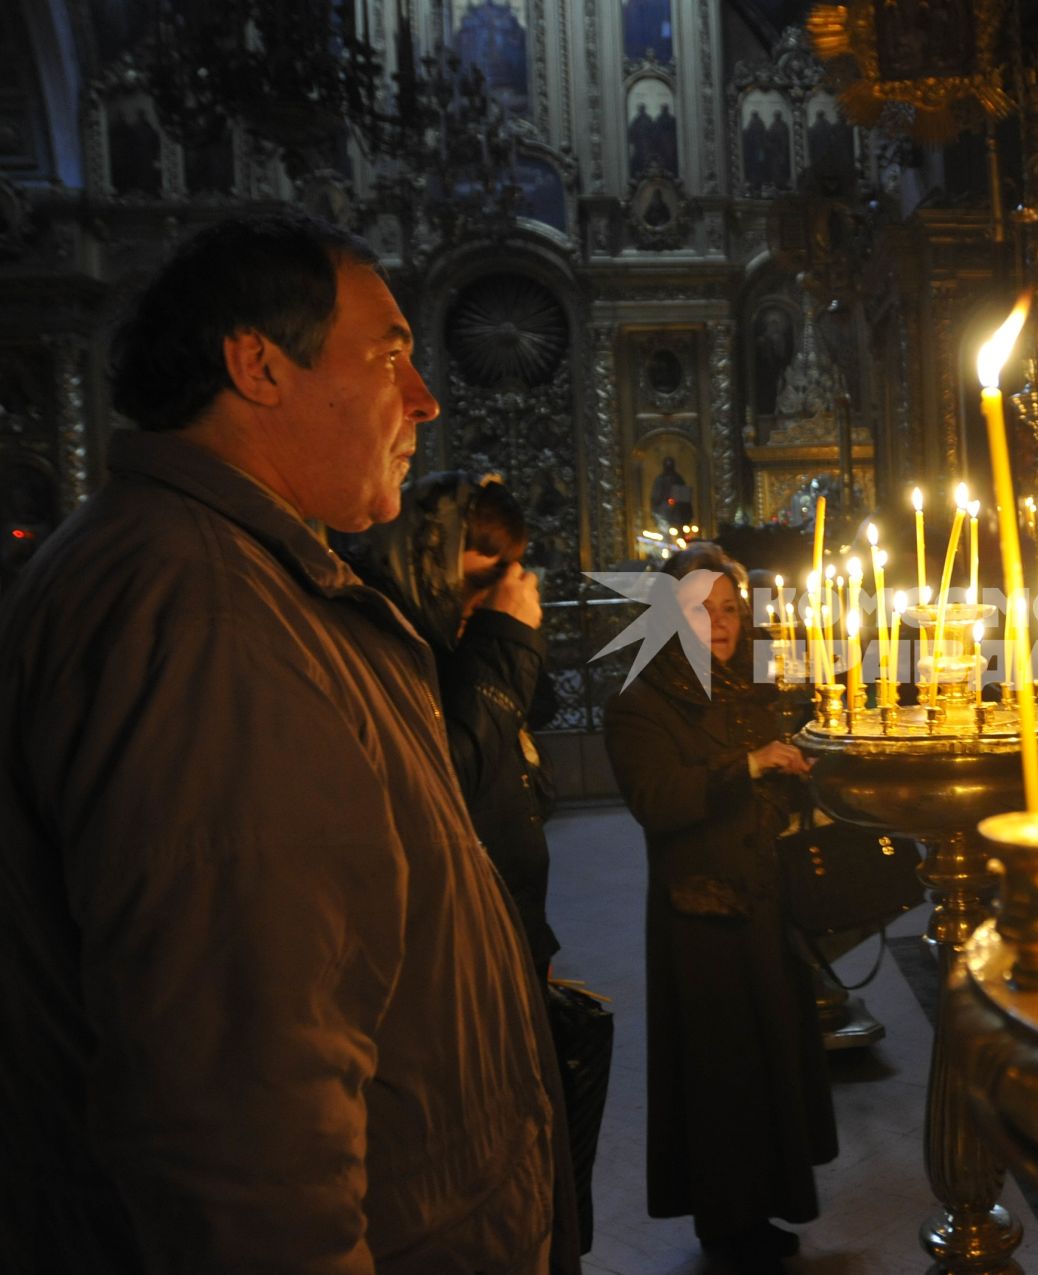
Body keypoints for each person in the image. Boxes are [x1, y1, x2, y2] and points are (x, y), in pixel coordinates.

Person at [0, 213, 569, 1274]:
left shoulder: (228, 576)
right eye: (390, 356)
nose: (425, 400)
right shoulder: (206, 618)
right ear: (259, 365)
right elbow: (240, 1116)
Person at [604, 543, 837, 1271]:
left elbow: (773, 783)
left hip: (765, 903)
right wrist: (749, 764)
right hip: (701, 914)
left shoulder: (748, 690)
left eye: (731, 608)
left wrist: (803, 768)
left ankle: (767, 1202)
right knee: (721, 1072)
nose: (722, 622)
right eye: (701, 610)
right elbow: (659, 800)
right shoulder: (639, 702)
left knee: (771, 1059)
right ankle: (726, 1221)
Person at [339, 471, 560, 974]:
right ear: (428, 561)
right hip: (451, 945)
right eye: (480, 581)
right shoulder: (384, 639)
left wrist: (508, 637)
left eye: (506, 577)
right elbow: (449, 782)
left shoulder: (466, 638)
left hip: (511, 925)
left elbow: (534, 731)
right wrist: (503, 637)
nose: (491, 598)